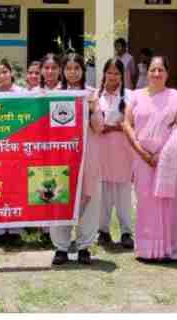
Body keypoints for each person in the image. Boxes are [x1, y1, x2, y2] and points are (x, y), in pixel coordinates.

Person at [122, 54, 177, 263]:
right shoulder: (135, 96)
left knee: (167, 202)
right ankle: (146, 250)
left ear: (167, 73)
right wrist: (142, 152)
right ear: (146, 72)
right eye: (153, 69)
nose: (156, 74)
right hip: (141, 159)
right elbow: (127, 124)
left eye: (161, 70)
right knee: (145, 202)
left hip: (166, 160)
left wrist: (160, 155)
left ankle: (168, 250)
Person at [49, 52, 103, 265]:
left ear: (83, 71)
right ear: (63, 70)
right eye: (68, 68)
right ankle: (61, 247)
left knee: (88, 201)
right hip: (61, 157)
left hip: (87, 156)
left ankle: (84, 247)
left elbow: (99, 127)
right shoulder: (53, 94)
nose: (72, 73)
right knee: (59, 198)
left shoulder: (91, 94)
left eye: (76, 69)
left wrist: (91, 108)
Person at [95, 57, 134, 250]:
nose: (112, 76)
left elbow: (134, 124)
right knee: (103, 193)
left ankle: (126, 232)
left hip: (122, 152)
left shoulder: (130, 97)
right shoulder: (96, 96)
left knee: (123, 193)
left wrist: (114, 127)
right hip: (102, 151)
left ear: (122, 76)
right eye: (109, 72)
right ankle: (103, 231)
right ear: (104, 74)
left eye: (116, 73)